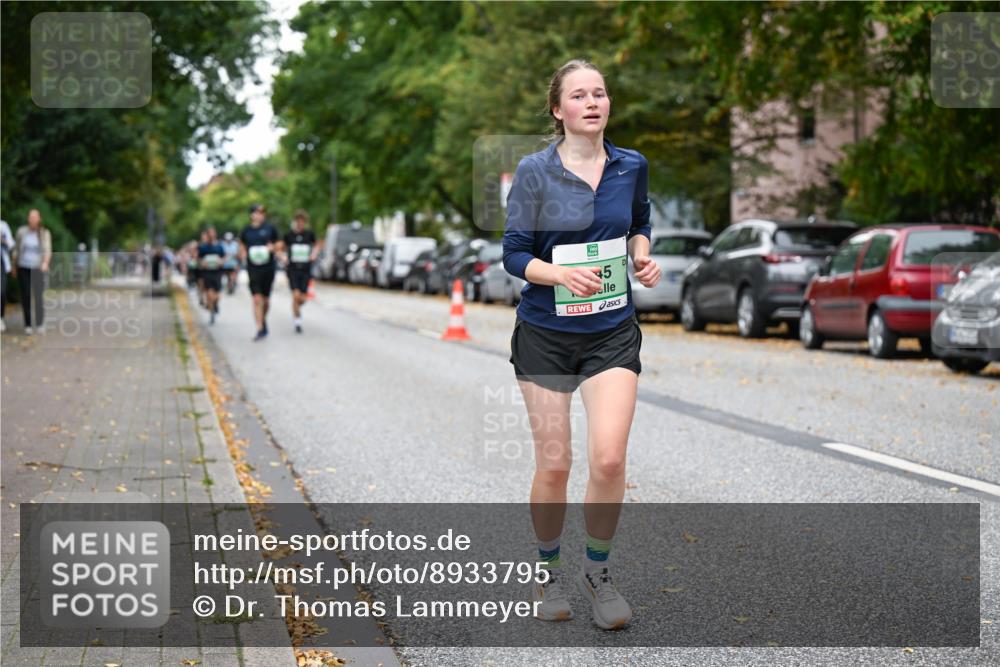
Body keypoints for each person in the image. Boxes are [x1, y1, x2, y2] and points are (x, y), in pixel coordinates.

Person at [502, 59, 661, 630]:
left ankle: (598, 573)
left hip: (611, 332)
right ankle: (549, 573)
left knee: (610, 456)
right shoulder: (534, 171)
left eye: (600, 93)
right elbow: (514, 253)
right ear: (558, 109)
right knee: (555, 462)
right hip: (545, 334)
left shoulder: (631, 165)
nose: (593, 102)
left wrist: (641, 254)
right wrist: (559, 274)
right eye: (579, 95)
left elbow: (638, 222)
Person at [239, 203, 279, 341]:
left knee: (266, 300)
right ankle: (260, 328)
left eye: (262, 212)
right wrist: (243, 253)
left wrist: (273, 247)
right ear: (252, 215)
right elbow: (242, 244)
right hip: (253, 268)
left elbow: (279, 243)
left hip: (268, 268)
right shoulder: (246, 231)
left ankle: (263, 319)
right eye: (257, 212)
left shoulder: (270, 228)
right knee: (257, 299)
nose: (260, 215)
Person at [12, 209, 53, 335]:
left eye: (35, 217)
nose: (33, 219)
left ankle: (40, 324)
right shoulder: (21, 232)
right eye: (31, 217)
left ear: (39, 219)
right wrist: (14, 265)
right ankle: (28, 324)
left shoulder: (44, 233)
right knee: (25, 295)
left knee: (38, 296)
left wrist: (45, 263)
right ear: (28, 219)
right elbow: (16, 249)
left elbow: (47, 250)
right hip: (23, 267)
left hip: (38, 268)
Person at [280, 209, 320, 334]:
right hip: (293, 269)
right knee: (296, 295)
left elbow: (317, 245)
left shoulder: (309, 234)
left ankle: (297, 306)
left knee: (302, 299)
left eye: (302, 222)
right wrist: (283, 257)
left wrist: (314, 254)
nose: (300, 224)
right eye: (298, 221)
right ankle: (297, 321)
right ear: (295, 222)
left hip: (306, 269)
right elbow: (280, 249)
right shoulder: (288, 236)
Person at [198, 227, 226, 325]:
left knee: (217, 294)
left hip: (217, 272)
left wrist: (221, 262)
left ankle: (215, 304)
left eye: (212, 233)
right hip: (207, 272)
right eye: (209, 233)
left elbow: (224, 257)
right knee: (209, 293)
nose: (211, 235)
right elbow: (199, 259)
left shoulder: (219, 246)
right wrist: (202, 263)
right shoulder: (203, 247)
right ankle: (211, 311)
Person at [0, 219, 12, 333]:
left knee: (1, 292)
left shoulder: (3, 225)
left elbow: (11, 244)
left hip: (2, 263)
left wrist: (2, 240)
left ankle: (1, 317)